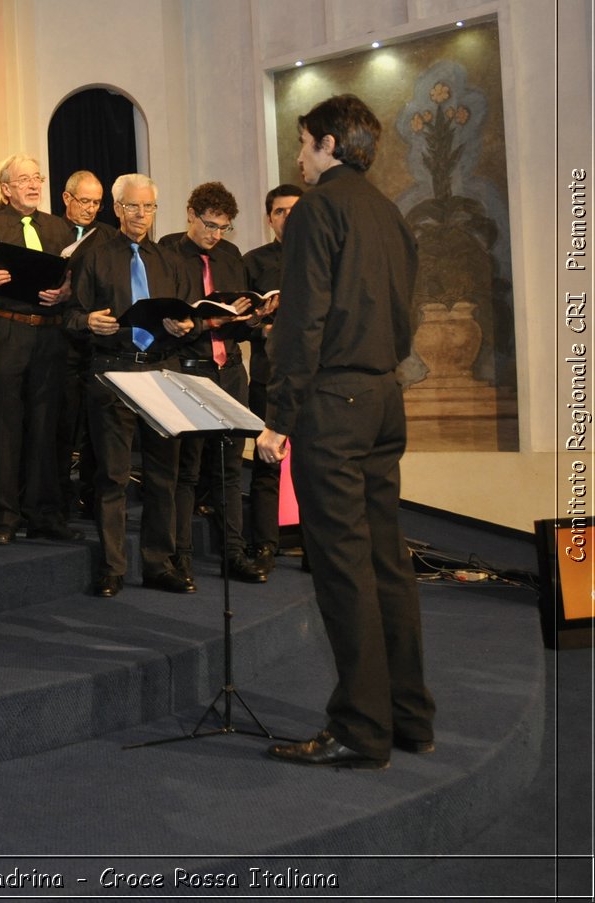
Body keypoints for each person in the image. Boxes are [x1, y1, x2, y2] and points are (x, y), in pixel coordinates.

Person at [259, 94, 433, 770]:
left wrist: (279, 417)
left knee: (343, 568)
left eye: (304, 144)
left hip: (333, 402)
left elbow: (302, 323)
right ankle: (410, 715)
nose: (299, 158)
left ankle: (362, 727)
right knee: (388, 558)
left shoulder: (317, 212)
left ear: (329, 143)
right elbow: (402, 314)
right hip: (386, 397)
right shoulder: (390, 213)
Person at [64, 173, 196, 597]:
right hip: (113, 372)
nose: (142, 215)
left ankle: (159, 564)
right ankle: (112, 567)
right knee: (113, 477)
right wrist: (87, 321)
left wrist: (185, 325)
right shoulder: (94, 256)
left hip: (161, 372)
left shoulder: (168, 259)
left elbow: (189, 319)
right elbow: (68, 316)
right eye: (133, 206)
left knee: (163, 476)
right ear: (118, 209)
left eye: (150, 207)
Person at [0, 155, 71, 544]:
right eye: (23, 179)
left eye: (37, 177)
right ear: (5, 188)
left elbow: (75, 280)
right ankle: (3, 517)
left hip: (50, 335)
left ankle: (44, 514)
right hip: (5, 332)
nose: (33, 184)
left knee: (46, 426)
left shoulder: (59, 229)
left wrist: (68, 290)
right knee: (3, 427)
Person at [159, 181, 266, 583]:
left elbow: (240, 326)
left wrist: (252, 317)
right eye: (209, 224)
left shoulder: (231, 256)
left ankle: (233, 554)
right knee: (187, 470)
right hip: (190, 367)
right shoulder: (168, 252)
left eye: (223, 227)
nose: (215, 234)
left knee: (230, 468)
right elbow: (169, 324)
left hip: (231, 370)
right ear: (190, 213)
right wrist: (208, 321)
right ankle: (181, 555)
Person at [242, 184, 301, 567]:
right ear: (269, 219)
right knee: (267, 460)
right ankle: (264, 543)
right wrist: (260, 326)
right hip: (269, 374)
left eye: (295, 211)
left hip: (314, 378)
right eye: (280, 212)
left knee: (315, 465)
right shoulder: (253, 261)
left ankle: (317, 547)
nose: (287, 218)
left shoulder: (325, 256)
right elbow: (237, 318)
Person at [55, 171, 112, 518]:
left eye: (96, 203)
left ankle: (93, 498)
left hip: (94, 343)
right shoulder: (50, 230)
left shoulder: (108, 237)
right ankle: (58, 498)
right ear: (67, 198)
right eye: (84, 201)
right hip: (58, 342)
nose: (90, 209)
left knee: (95, 430)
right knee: (61, 425)